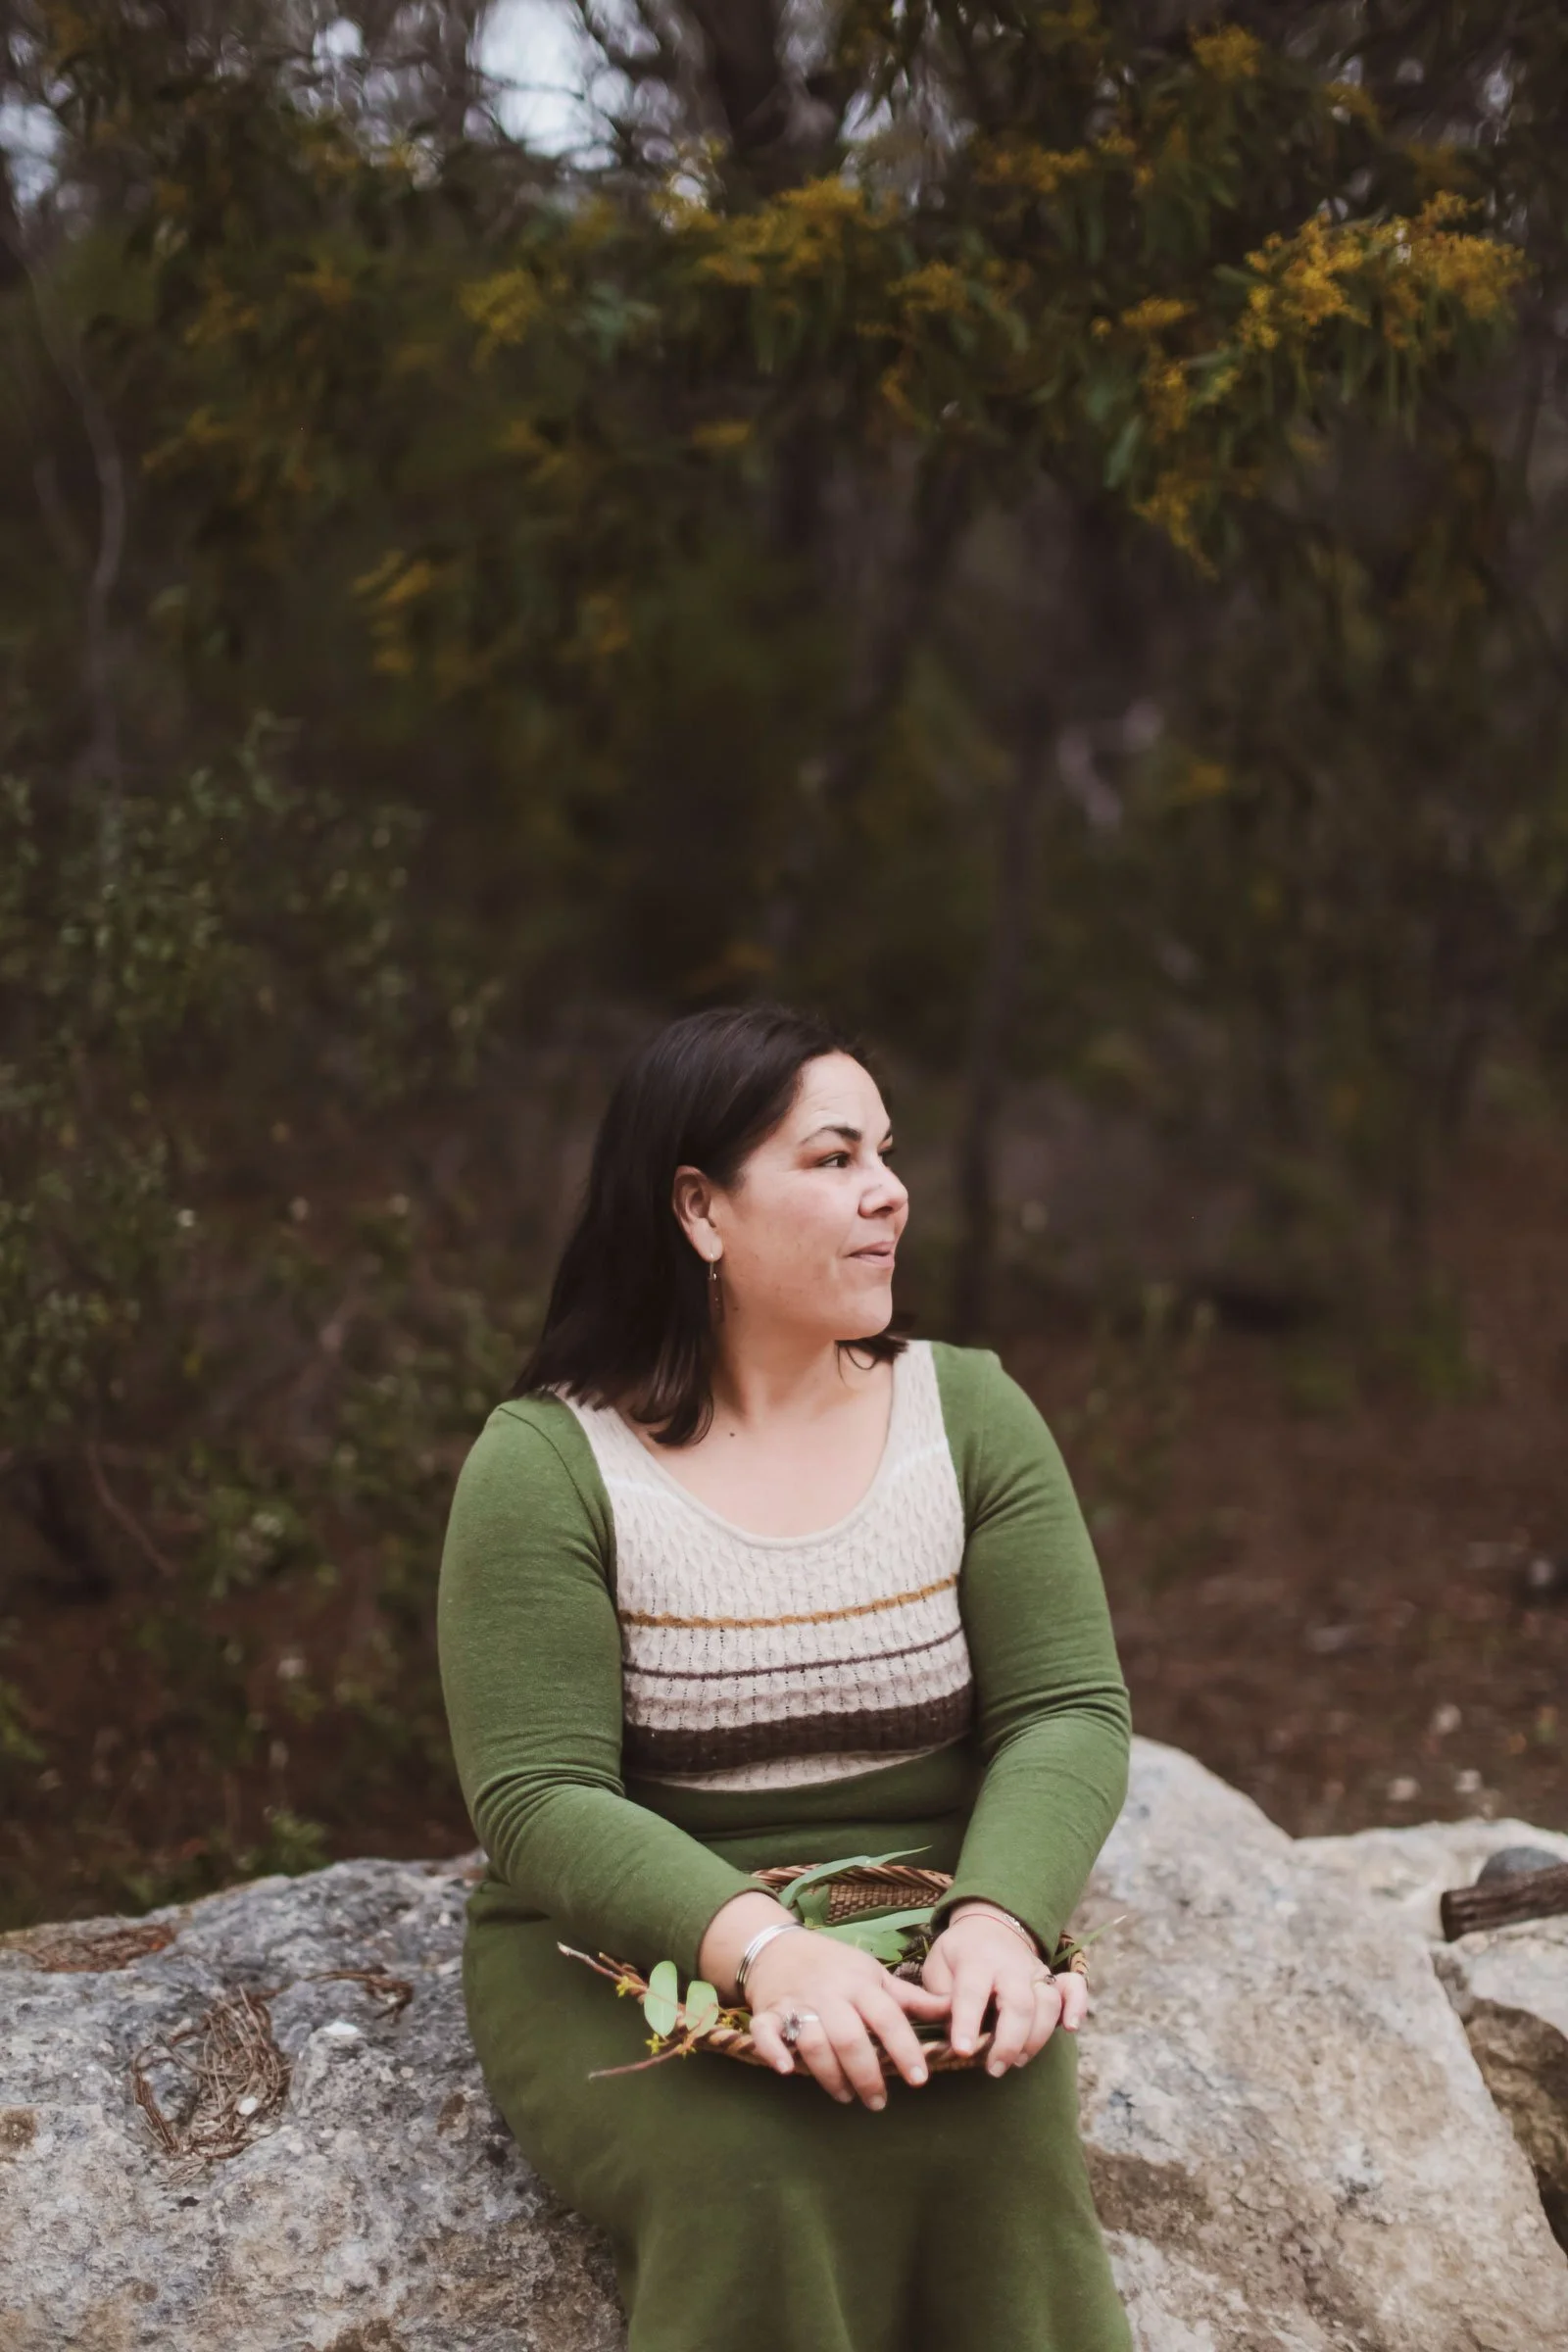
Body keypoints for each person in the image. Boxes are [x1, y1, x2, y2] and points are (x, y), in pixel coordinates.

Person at [436, 1003, 1135, 2352]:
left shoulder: (970, 1414)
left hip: (924, 1908)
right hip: (629, 1944)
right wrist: (767, 1952)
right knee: (747, 2172)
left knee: (992, 2137)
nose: (890, 1194)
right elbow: (534, 1797)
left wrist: (1001, 1922)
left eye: (887, 1153)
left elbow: (1067, 1709)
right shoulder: (545, 1466)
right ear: (699, 1209)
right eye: (832, 1160)